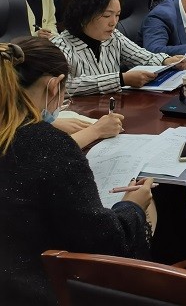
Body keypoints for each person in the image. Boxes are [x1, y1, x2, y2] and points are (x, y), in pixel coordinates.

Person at [0, 41, 155, 305]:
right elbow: (104, 242)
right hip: (42, 290)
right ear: (54, 85)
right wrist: (133, 207)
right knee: (148, 211)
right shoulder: (47, 143)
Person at [51, 0, 183, 95]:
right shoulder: (60, 46)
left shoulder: (114, 36)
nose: (113, 22)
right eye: (106, 15)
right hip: (79, 113)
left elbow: (143, 57)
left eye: (117, 15)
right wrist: (120, 79)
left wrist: (166, 61)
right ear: (83, 16)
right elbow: (62, 85)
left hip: (113, 108)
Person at [15, 36, 125, 149]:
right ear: (55, 86)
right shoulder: (24, 138)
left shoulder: (13, 118)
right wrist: (96, 131)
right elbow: (54, 151)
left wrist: (50, 123)